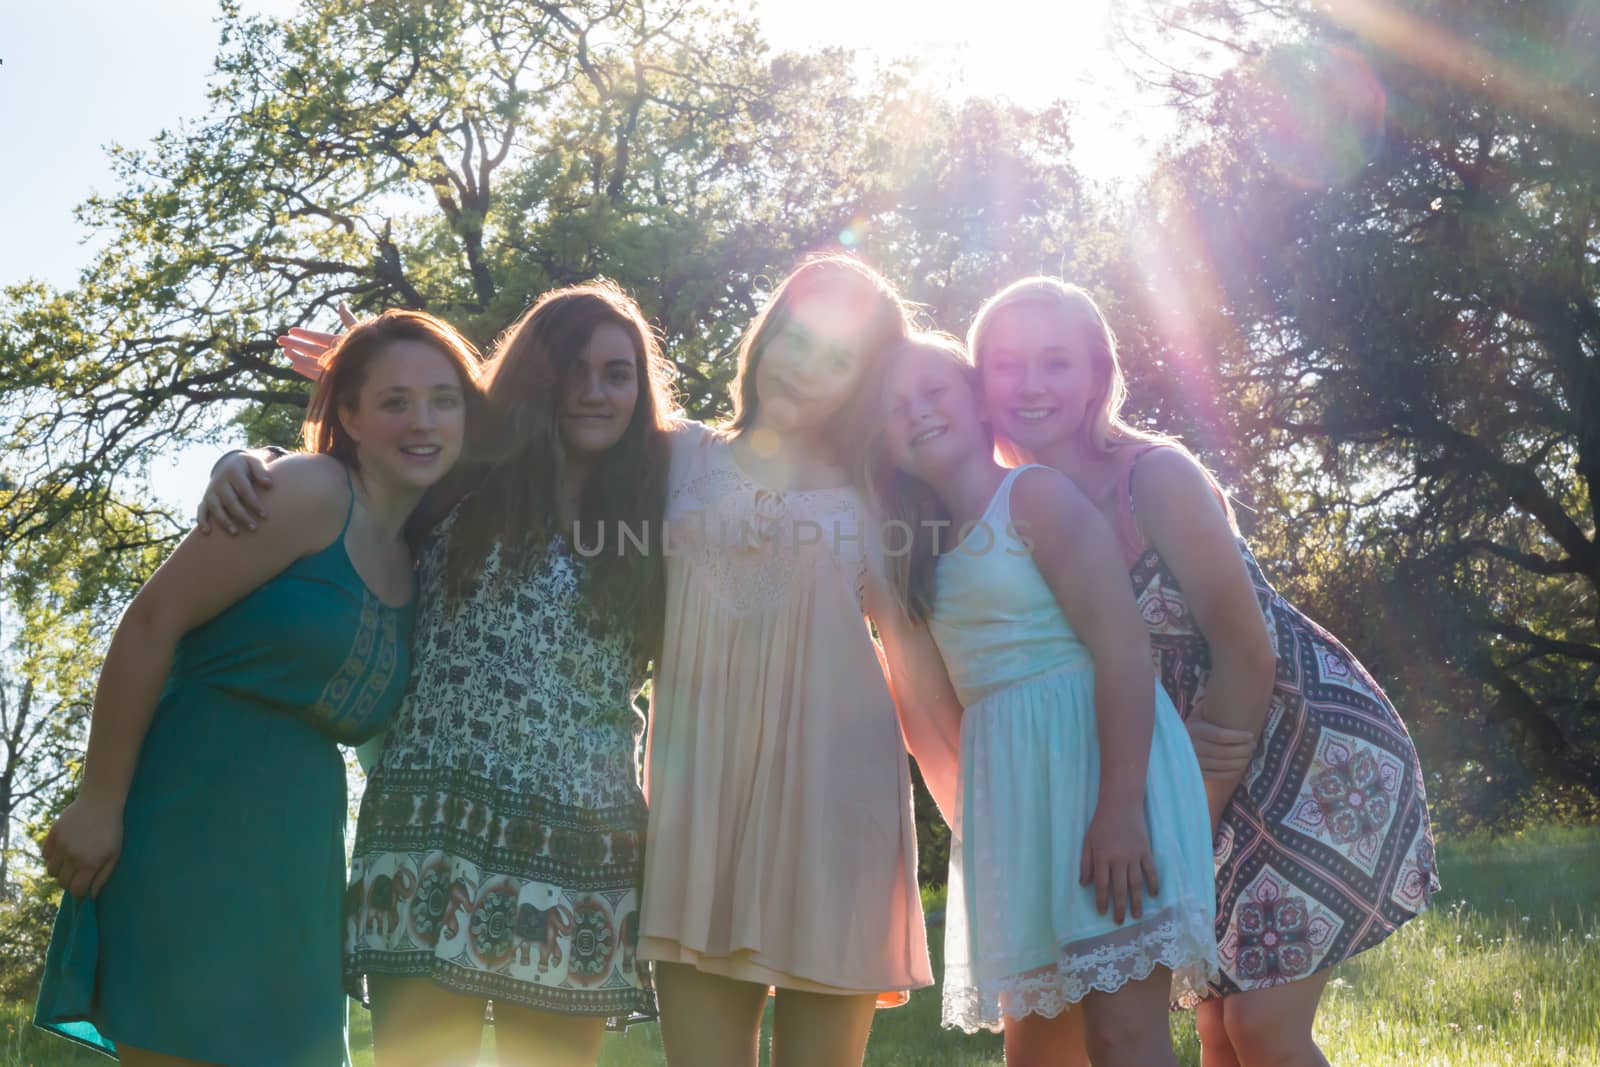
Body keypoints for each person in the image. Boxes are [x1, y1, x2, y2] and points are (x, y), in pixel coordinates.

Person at [969, 277, 1440, 1067]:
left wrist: (1182, 823)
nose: (1032, 384)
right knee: (1216, 1029)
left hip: (1305, 750)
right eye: (1008, 364)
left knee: (1260, 1027)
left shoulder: (1151, 477)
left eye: (1056, 362)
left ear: (1096, 375)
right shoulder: (1003, 508)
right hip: (1178, 771)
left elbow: (1245, 649)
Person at [202, 281, 673, 1067]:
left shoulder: (659, 500)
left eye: (617, 373)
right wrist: (240, 458)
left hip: (584, 844)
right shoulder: (463, 477)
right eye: (575, 369)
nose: (596, 391)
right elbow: (348, 479)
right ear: (535, 376)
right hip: (431, 828)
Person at [34, 309, 478, 1066]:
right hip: (191, 818)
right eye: (394, 400)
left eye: (444, 398)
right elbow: (150, 623)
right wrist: (99, 799)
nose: (423, 420)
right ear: (349, 414)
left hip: (300, 854)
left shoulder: (420, 554)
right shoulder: (309, 490)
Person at [639, 255, 963, 1067]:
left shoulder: (874, 496)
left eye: (838, 359)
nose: (805, 366)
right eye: (796, 337)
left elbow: (917, 684)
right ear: (768, 332)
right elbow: (546, 438)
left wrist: (983, 827)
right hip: (699, 805)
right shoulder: (674, 454)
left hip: (836, 809)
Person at [868, 332, 1217, 1067]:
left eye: (935, 392)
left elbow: (1121, 645)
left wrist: (1119, 807)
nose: (919, 413)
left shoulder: (1031, 495)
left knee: (1122, 1036)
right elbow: (927, 710)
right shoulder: (913, 548)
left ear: (976, 400)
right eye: (895, 406)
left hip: (1103, 769)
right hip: (1017, 800)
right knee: (1036, 1052)